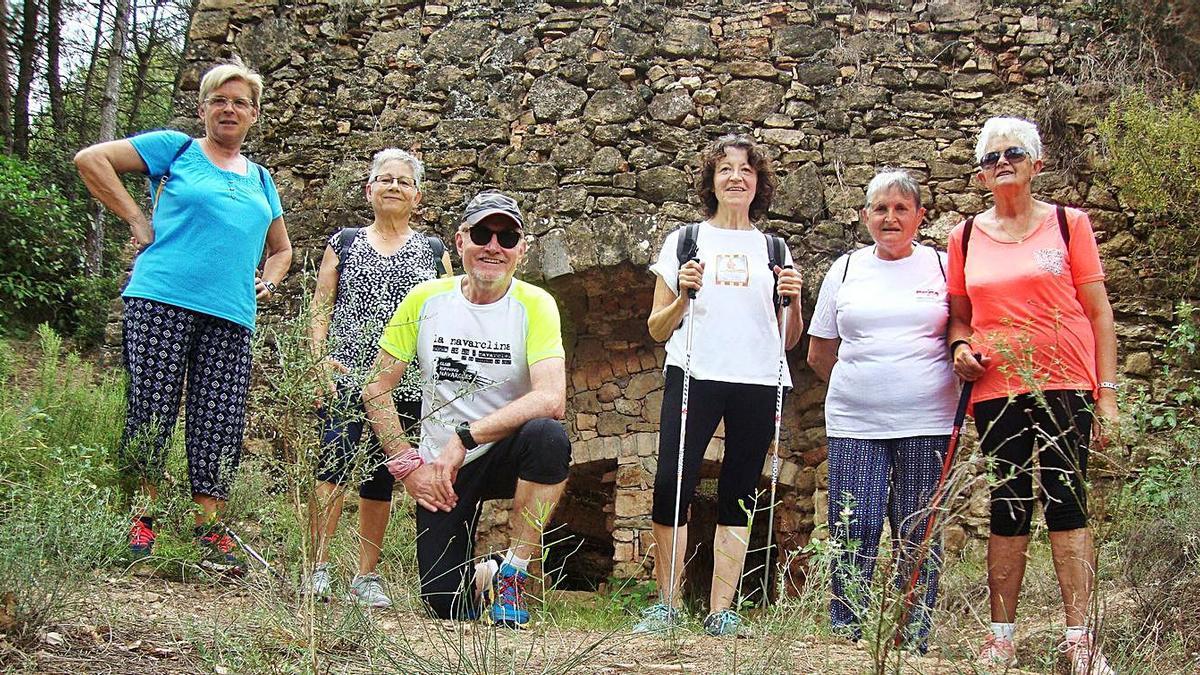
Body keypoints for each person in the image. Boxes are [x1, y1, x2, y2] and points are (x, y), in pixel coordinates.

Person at [74, 62, 291, 573]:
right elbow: (92, 160)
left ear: (254, 115)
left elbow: (281, 250)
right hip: (162, 298)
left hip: (232, 315)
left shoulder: (261, 179)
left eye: (240, 102)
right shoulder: (176, 150)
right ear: (203, 109)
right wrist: (136, 219)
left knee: (219, 419)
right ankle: (140, 520)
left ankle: (208, 529)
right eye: (220, 100)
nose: (229, 109)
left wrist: (270, 279)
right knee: (152, 408)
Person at [947, 117, 1117, 673]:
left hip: (1066, 382)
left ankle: (1079, 641)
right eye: (990, 157)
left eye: (1013, 152)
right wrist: (960, 347)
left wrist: (1107, 393)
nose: (1001, 163)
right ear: (979, 174)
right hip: (997, 387)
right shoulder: (965, 236)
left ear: (1035, 164)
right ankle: (1001, 638)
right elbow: (959, 319)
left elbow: (1098, 313)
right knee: (1009, 503)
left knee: (1067, 503)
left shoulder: (1070, 225)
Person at [362, 190, 570, 626]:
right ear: (460, 242)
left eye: (507, 237)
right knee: (444, 604)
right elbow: (376, 389)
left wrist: (466, 437)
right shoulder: (425, 300)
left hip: (501, 451)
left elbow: (551, 397)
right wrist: (408, 464)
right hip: (441, 469)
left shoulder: (536, 304)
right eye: (482, 234)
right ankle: (483, 577)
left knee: (549, 437)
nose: (493, 246)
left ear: (521, 251)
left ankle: (513, 571)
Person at [638, 133, 804, 637]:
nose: (736, 177)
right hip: (693, 370)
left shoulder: (775, 248)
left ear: (759, 183)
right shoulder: (685, 241)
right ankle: (667, 604)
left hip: (757, 376)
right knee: (673, 480)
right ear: (711, 181)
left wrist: (793, 301)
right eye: (726, 169)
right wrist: (684, 297)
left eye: (746, 170)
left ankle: (721, 610)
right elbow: (656, 327)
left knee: (740, 489)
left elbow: (789, 340)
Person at [807, 169, 959, 650]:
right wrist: (864, 388)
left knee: (918, 527)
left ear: (919, 216)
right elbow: (819, 351)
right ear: (865, 216)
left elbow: (964, 329)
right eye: (880, 208)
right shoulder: (846, 269)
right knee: (856, 522)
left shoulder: (942, 266)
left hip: (928, 421)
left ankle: (912, 636)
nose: (890, 217)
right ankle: (848, 632)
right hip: (855, 422)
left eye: (900, 208)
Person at [304, 149, 453, 607]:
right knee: (333, 465)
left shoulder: (433, 251)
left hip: (403, 383)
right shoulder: (344, 242)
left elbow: (448, 314)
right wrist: (317, 361)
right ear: (368, 190)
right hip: (347, 373)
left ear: (417, 195)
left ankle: (365, 577)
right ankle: (317, 568)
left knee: (382, 476)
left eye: (403, 181)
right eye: (384, 179)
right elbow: (321, 306)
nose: (393, 186)